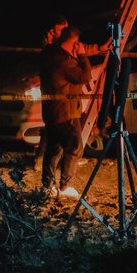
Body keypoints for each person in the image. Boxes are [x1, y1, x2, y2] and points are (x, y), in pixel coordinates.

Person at [39, 25, 95, 199]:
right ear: (74, 42)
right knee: (75, 146)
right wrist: (83, 55)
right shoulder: (66, 62)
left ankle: (47, 185)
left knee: (54, 148)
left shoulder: (49, 54)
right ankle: (66, 185)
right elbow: (85, 77)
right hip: (66, 112)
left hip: (51, 111)